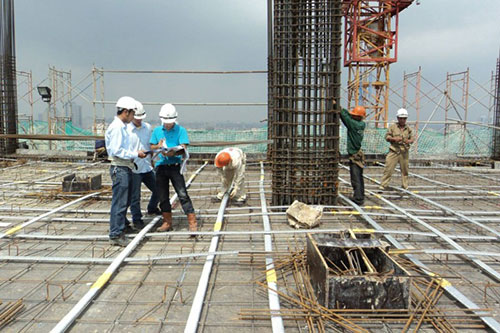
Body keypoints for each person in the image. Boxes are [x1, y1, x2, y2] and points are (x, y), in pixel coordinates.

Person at [150, 103, 197, 235]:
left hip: (175, 167)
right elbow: (152, 146)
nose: (168, 124)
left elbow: (183, 147)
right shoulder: (157, 131)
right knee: (163, 196)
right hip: (161, 167)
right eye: (166, 122)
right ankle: (167, 222)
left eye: (170, 122)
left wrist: (173, 153)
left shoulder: (181, 130)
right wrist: (158, 146)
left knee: (182, 194)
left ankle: (192, 222)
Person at [105, 96, 146, 246]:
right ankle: (116, 234)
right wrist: (135, 154)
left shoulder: (121, 127)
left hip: (124, 167)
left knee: (123, 201)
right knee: (120, 202)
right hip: (120, 167)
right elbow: (116, 151)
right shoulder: (117, 128)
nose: (133, 117)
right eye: (133, 114)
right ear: (126, 112)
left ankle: (119, 230)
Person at [127, 100, 161, 231]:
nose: (139, 121)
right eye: (137, 118)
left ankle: (152, 208)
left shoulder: (147, 127)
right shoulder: (127, 129)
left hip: (146, 166)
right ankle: (137, 219)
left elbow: (150, 146)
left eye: (141, 118)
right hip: (134, 167)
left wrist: (156, 152)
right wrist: (135, 154)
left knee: (158, 189)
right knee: (135, 196)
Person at [380, 108, 414, 190]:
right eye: (401, 118)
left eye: (404, 118)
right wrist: (394, 139)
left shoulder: (409, 129)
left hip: (404, 152)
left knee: (405, 170)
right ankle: (384, 184)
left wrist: (407, 141)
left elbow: (412, 139)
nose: (402, 120)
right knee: (388, 168)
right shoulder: (392, 127)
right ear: (398, 118)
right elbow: (387, 137)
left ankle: (405, 185)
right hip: (394, 151)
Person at [340, 105, 366, 205]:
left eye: (354, 115)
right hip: (358, 154)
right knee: (359, 176)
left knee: (356, 178)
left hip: (355, 155)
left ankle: (358, 198)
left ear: (358, 117)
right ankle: (360, 196)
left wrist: (340, 108)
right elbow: (348, 116)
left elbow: (345, 117)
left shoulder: (354, 125)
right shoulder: (361, 124)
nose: (353, 116)